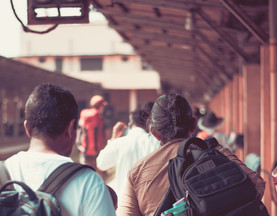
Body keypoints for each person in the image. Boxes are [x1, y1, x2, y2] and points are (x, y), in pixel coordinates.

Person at [118, 93, 265, 216]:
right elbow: (257, 183)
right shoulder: (217, 152)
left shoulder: (137, 172)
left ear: (155, 133)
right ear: (194, 125)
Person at [3, 83, 115, 216]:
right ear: (70, 128)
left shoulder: (2, 173)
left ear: (27, 128)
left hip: (85, 151)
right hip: (95, 152)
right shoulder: (89, 182)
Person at [96, 102, 161, 206]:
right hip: (149, 204)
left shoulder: (119, 143)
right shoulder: (155, 142)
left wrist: (113, 138)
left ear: (130, 125)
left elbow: (101, 163)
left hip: (124, 203)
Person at [78, 94, 108, 175]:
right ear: (100, 106)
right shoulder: (99, 117)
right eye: (103, 106)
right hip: (97, 153)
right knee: (100, 177)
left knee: (85, 176)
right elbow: (105, 136)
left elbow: (79, 132)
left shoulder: (84, 114)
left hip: (84, 152)